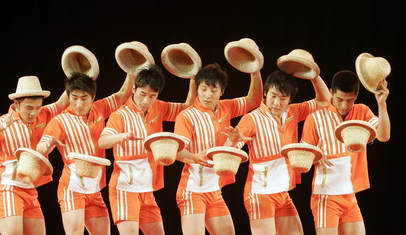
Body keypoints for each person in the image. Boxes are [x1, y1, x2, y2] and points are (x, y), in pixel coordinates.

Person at [224, 68, 330, 235]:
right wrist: (233, 141)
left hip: (282, 193)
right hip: (260, 194)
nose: (276, 103)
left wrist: (314, 74)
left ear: (289, 99)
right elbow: (227, 152)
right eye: (273, 96)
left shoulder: (293, 112)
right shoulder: (252, 118)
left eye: (282, 98)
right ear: (265, 93)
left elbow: (325, 100)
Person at [98, 64, 197, 235]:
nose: (146, 100)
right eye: (142, 94)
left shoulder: (158, 107)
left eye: (152, 96)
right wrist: (120, 137)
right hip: (124, 188)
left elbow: (187, 107)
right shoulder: (120, 115)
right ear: (134, 89)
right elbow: (102, 141)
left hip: (146, 190)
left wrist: (193, 78)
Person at [36, 71, 135, 235]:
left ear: (93, 97)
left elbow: (123, 94)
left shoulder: (100, 108)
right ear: (68, 96)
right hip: (72, 187)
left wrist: (131, 70)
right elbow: (41, 148)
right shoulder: (60, 121)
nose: (78, 104)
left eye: (84, 98)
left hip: (94, 189)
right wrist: (49, 144)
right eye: (74, 98)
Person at [173, 62, 263, 235]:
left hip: (214, 190)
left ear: (221, 91)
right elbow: (176, 152)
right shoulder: (187, 116)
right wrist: (193, 157)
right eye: (203, 89)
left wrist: (255, 69)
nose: (207, 95)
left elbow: (254, 99)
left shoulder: (226, 107)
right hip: (192, 191)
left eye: (213, 91)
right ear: (197, 89)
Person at [0, 75, 69, 235]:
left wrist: (77, 75)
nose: (34, 112)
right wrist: (1, 127)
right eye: (29, 107)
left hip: (30, 190)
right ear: (16, 104)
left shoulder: (42, 114)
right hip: (9, 188)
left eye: (38, 107)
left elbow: (62, 103)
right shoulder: (4, 122)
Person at [301, 70, 390, 235]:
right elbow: (301, 161)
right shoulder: (315, 118)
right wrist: (315, 155)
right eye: (339, 99)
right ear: (331, 93)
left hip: (349, 195)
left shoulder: (362, 111)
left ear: (356, 96)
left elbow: (383, 136)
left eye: (350, 100)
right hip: (325, 197)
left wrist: (382, 104)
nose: (344, 105)